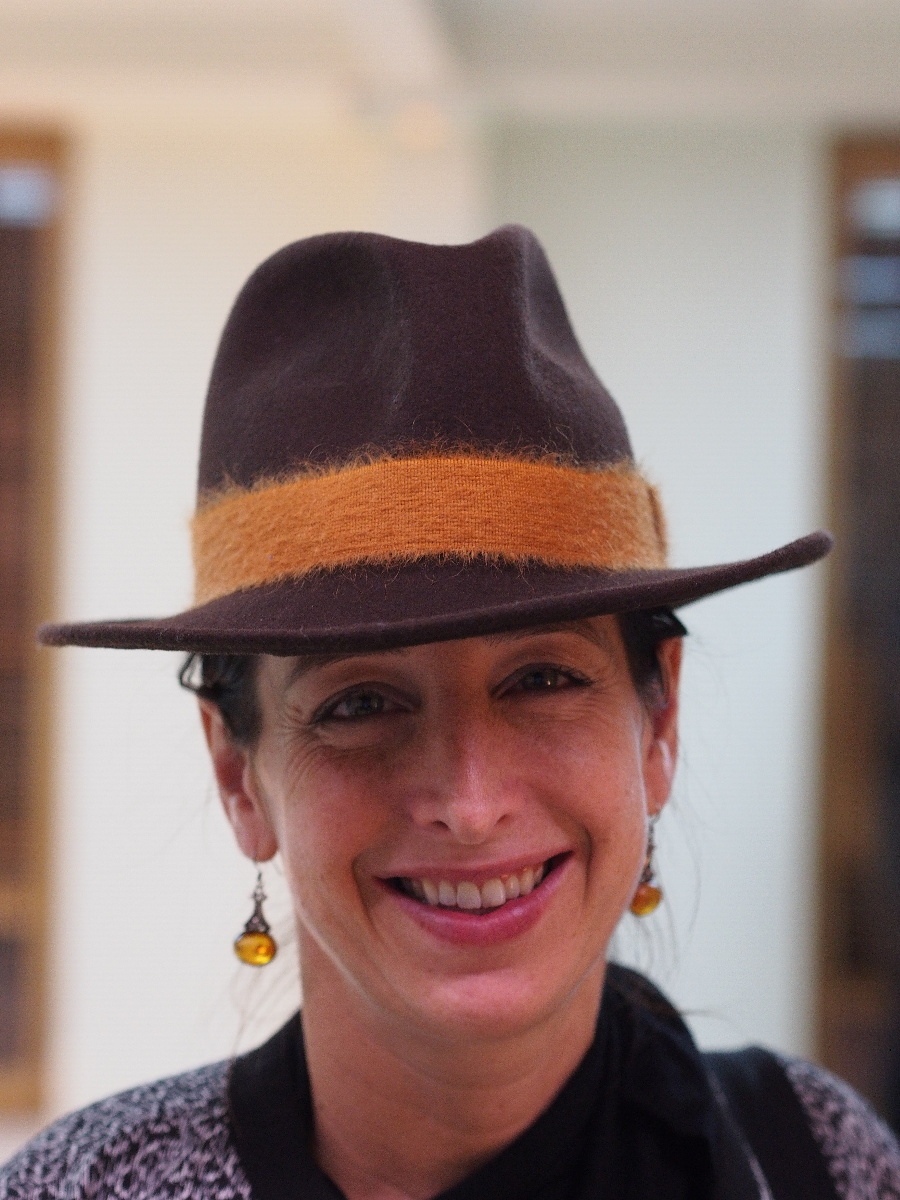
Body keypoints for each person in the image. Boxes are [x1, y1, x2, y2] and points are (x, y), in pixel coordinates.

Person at [1, 226, 897, 1200]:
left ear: (660, 721)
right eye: (361, 703)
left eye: (543, 680)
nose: (469, 805)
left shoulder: (820, 1162)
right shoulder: (84, 1187)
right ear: (237, 775)